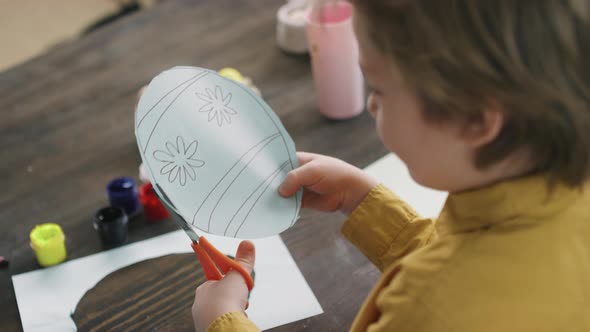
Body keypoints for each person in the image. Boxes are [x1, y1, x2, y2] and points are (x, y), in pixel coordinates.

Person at [192, 0, 590, 331]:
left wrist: (223, 321)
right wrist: (364, 202)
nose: (371, 105)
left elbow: (451, 284)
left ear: (476, 122)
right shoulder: (557, 196)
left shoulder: (428, 311)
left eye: (379, 88)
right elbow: (469, 257)